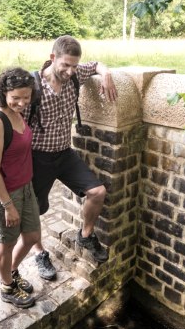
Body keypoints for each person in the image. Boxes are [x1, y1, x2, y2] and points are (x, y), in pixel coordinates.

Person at [25, 35, 119, 280]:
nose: (70, 71)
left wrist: (106, 73)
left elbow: (96, 64)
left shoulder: (75, 75)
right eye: (65, 65)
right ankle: (38, 252)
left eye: (74, 65)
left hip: (65, 154)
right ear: (52, 58)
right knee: (33, 210)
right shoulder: (32, 86)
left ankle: (86, 236)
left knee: (98, 192)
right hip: (37, 157)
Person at [0, 67, 41, 308]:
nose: (21, 102)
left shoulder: (19, 115)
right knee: (6, 244)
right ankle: (7, 286)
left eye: (26, 97)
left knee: (31, 237)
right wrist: (8, 205)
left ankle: (13, 271)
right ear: (4, 93)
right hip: (4, 194)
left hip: (26, 188)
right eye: (15, 97)